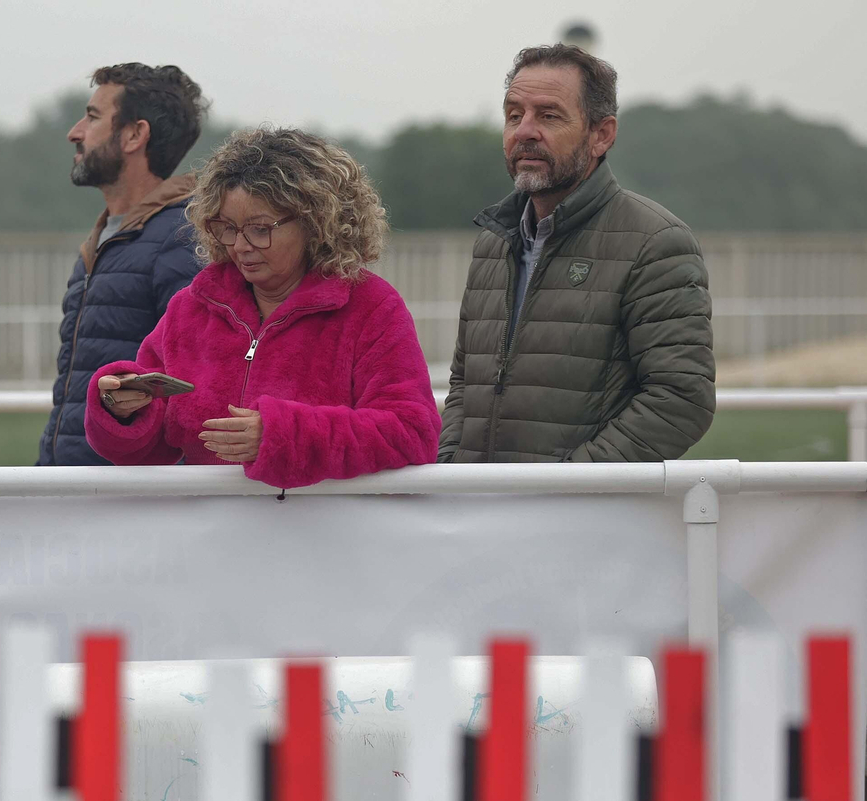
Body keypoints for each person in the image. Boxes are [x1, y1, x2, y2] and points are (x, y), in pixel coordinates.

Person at [85, 128, 440, 487]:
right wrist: (124, 411)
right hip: (206, 535)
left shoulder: (372, 307)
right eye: (226, 227)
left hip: (326, 536)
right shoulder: (190, 308)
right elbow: (150, 449)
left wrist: (282, 435)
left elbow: (412, 432)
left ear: (316, 223)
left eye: (259, 229)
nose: (240, 246)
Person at [437, 44, 714, 463]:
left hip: (578, 518)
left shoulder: (655, 242)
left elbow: (680, 399)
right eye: (514, 114)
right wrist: (452, 468)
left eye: (548, 115)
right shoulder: (493, 242)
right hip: (475, 512)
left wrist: (573, 485)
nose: (524, 130)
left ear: (601, 134)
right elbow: (465, 384)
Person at [37, 63, 206, 466]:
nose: (74, 132)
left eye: (93, 117)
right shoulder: (112, 238)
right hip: (81, 495)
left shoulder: (180, 241)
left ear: (134, 135)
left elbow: (192, 390)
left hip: (129, 505)